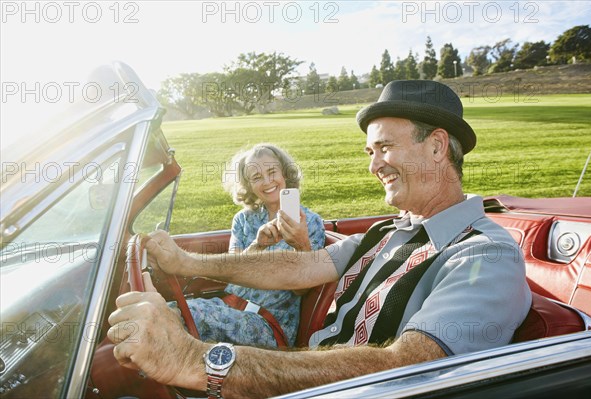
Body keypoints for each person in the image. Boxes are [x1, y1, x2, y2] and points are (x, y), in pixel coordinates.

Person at [108, 80, 532, 398]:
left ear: (438, 147)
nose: (374, 166)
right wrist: (189, 263)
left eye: (383, 148)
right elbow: (300, 266)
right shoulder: (387, 231)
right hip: (303, 370)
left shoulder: (484, 254)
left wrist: (192, 359)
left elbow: (405, 366)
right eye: (371, 153)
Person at [184, 143, 325, 348]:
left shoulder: (310, 222)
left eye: (272, 172)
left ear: (285, 173)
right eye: (257, 177)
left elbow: (302, 290)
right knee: (175, 311)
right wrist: (257, 246)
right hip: (230, 307)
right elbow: (231, 271)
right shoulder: (243, 220)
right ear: (249, 185)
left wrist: (301, 245)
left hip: (268, 325)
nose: (267, 182)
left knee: (188, 316)